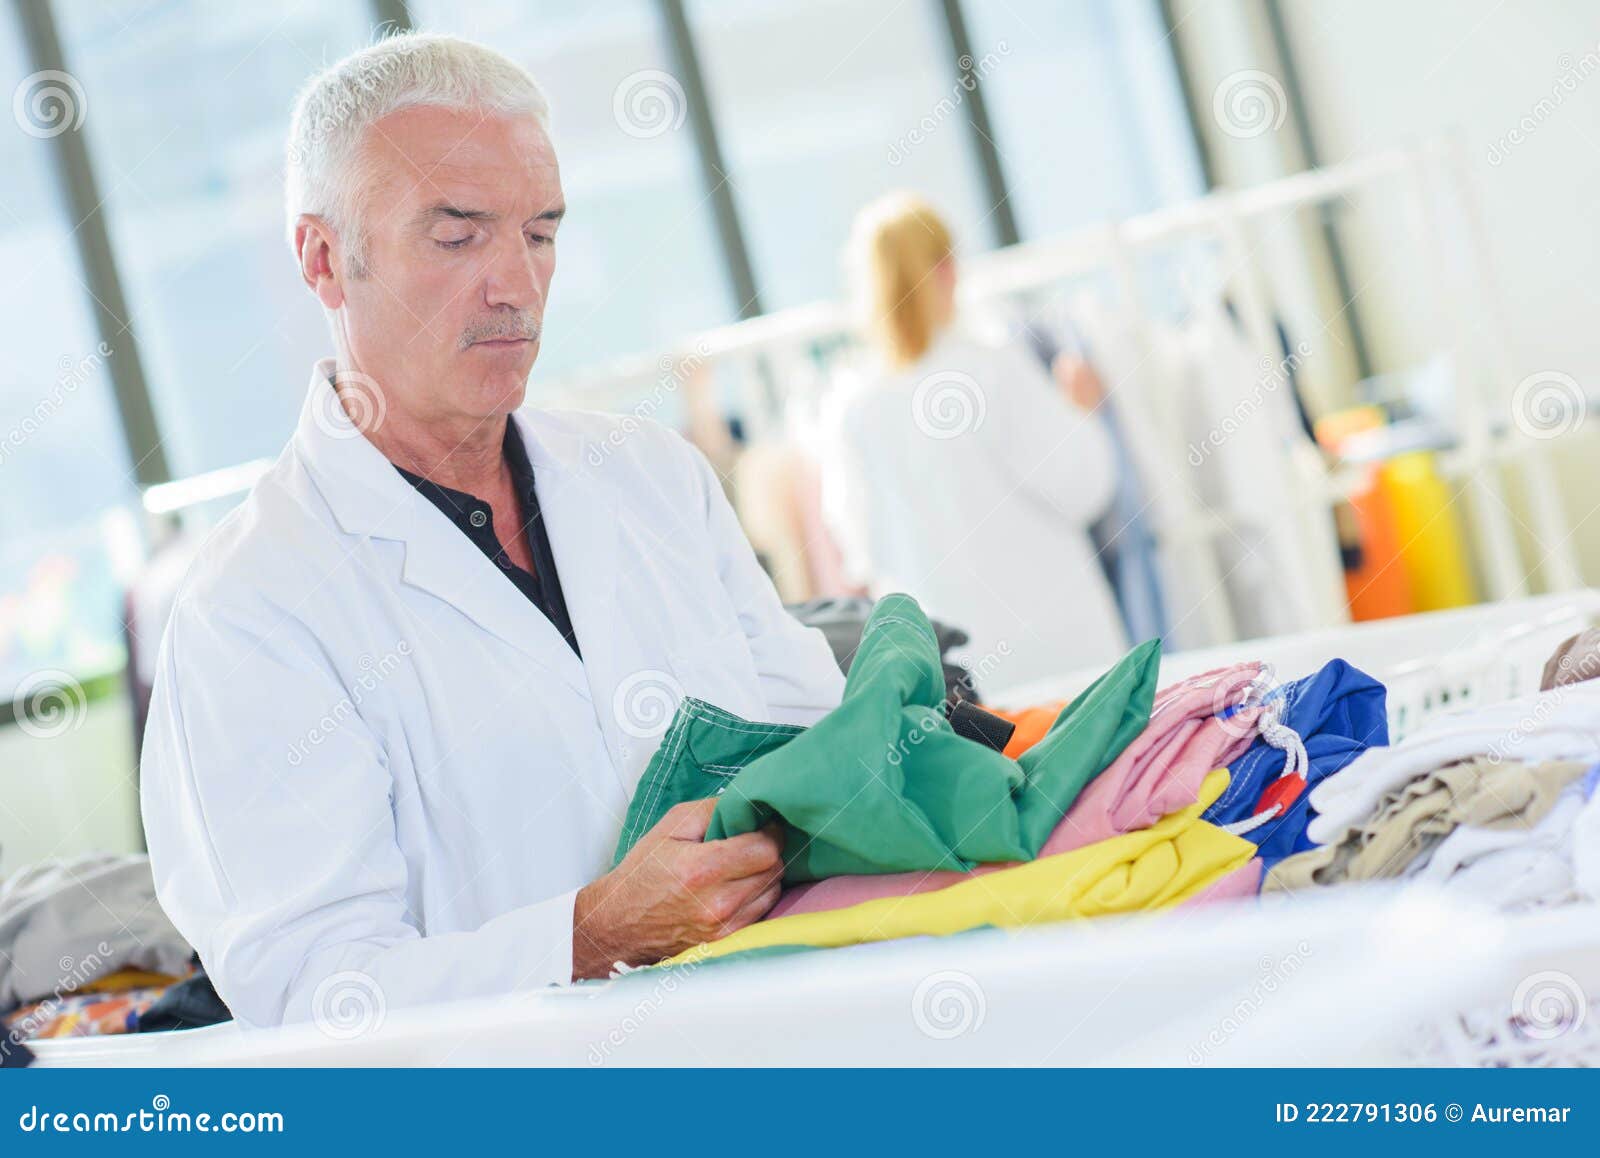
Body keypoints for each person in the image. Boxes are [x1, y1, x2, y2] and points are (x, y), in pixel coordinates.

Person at [138, 33, 846, 1029]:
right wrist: (587, 936)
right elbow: (309, 997)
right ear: (325, 258)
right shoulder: (247, 611)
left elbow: (811, 741)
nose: (514, 283)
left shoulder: (651, 478)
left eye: (541, 233)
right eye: (459, 235)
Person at [819, 194, 1127, 692]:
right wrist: (1083, 411)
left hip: (959, 675)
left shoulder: (853, 410)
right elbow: (1083, 488)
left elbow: (863, 553)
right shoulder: (992, 370)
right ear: (946, 271)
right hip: (1063, 650)